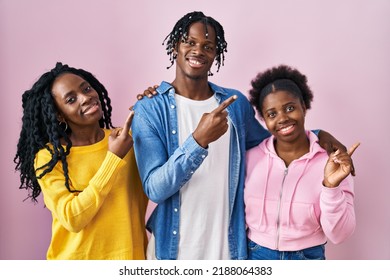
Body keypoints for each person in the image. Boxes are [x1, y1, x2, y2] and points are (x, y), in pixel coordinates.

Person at [132, 11, 351, 260]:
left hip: (229, 250)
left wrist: (319, 135)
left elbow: (272, 141)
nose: (198, 50)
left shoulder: (234, 105)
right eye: (189, 42)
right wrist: (198, 142)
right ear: (175, 46)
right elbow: (155, 189)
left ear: (216, 54)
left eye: (208, 46)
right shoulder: (149, 109)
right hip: (172, 251)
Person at [14, 62, 148, 260]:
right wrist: (113, 159)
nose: (86, 97)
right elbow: (72, 218)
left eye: (86, 88)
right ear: (59, 114)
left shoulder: (127, 140)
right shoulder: (49, 157)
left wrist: (158, 104)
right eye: (71, 99)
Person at [245, 64, 359, 260]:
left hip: (307, 257)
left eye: (290, 108)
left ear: (304, 107)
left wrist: (331, 187)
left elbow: (340, 235)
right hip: (255, 255)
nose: (282, 118)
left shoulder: (331, 161)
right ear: (264, 119)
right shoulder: (251, 157)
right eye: (272, 114)